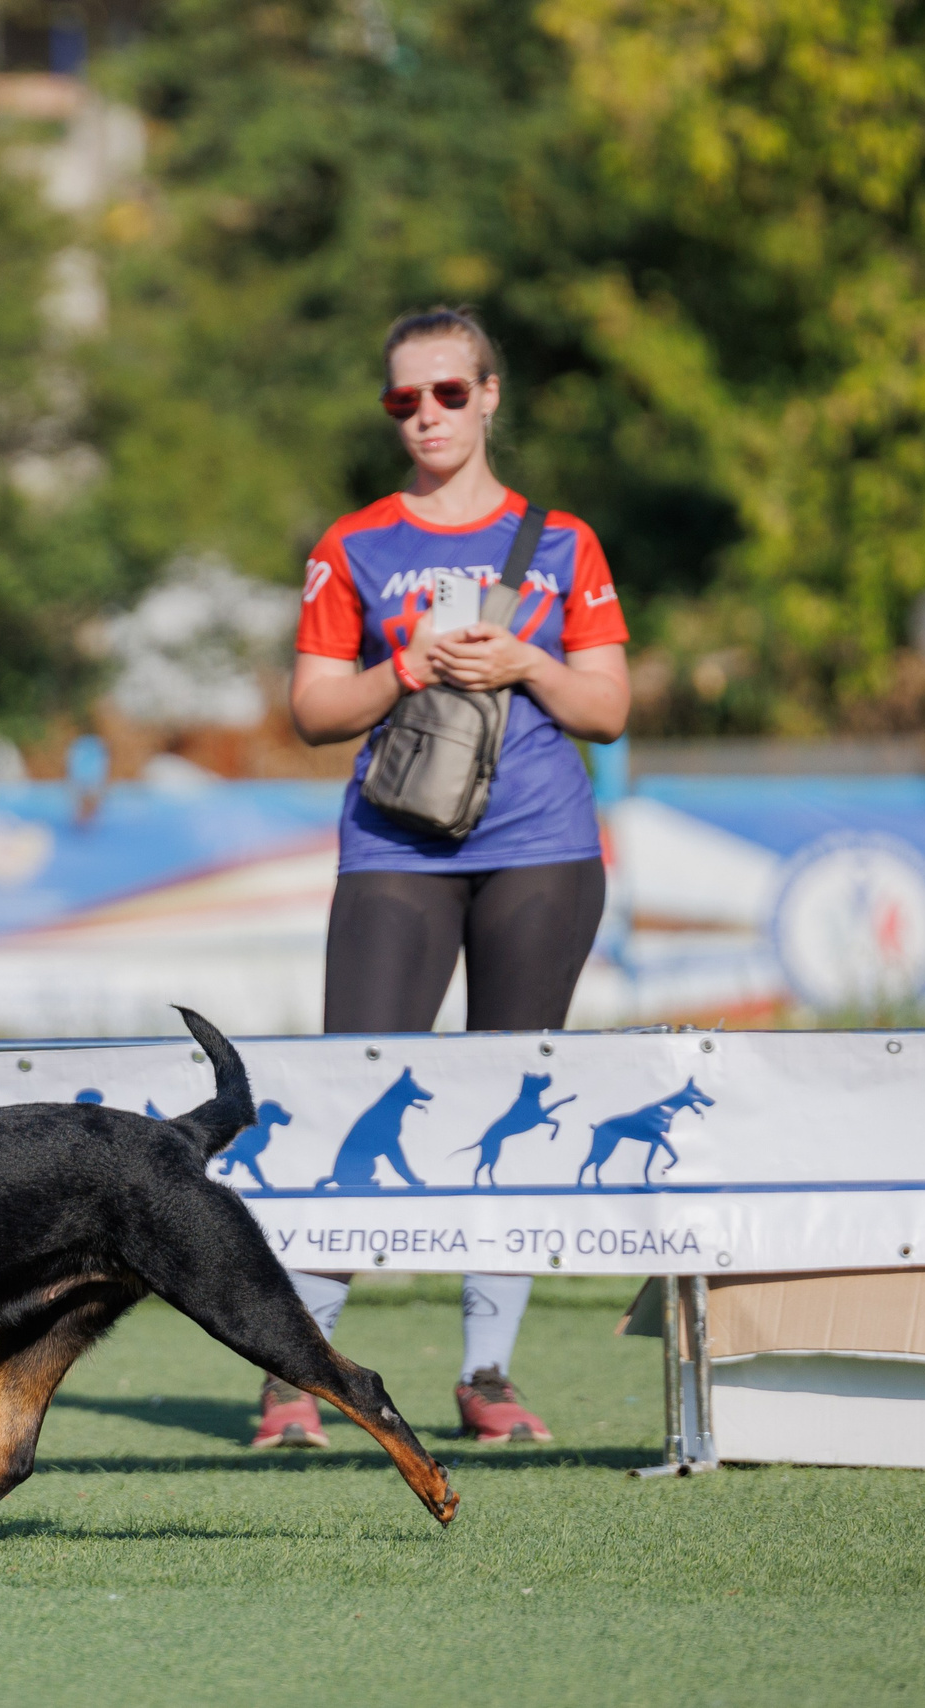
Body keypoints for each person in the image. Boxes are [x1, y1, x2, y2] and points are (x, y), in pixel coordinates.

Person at [279, 306, 630, 1446]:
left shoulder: (563, 540)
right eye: (403, 399)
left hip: (540, 844)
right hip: (395, 846)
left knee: (505, 1098)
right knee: (349, 1088)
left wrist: (526, 658)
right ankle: (300, 1371)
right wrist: (404, 664)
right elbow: (311, 710)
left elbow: (608, 709)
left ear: (489, 396)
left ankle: (487, 1370)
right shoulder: (355, 544)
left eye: (446, 392)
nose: (424, 414)